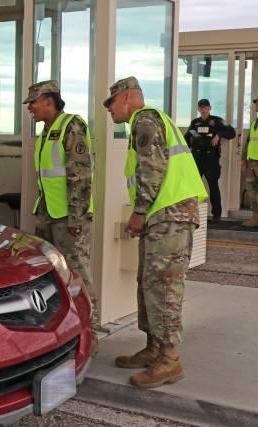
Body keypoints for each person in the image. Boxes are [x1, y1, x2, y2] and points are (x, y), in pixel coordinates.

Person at [104, 76, 208, 388]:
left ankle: (169, 359)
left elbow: (152, 168)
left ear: (126, 98)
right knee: (149, 282)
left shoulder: (145, 120)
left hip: (169, 214)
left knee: (163, 287)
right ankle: (154, 348)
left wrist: (138, 212)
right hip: (162, 215)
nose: (109, 111)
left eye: (111, 103)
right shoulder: (151, 120)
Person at [23, 80, 99, 356]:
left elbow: (80, 178)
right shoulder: (47, 131)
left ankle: (90, 333)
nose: (30, 108)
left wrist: (77, 220)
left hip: (68, 217)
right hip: (48, 213)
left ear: (48, 100)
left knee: (78, 274)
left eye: (33, 102)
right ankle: (62, 331)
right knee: (51, 275)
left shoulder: (71, 126)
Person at [183, 99, 236, 222]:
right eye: (201, 107)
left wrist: (219, 134)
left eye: (205, 107)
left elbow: (232, 132)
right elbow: (186, 138)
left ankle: (216, 215)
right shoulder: (195, 123)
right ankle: (190, 213)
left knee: (213, 186)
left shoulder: (216, 121)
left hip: (210, 158)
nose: (203, 109)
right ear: (198, 109)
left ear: (210, 108)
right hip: (196, 157)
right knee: (192, 186)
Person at [241, 98, 258, 227]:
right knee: (251, 190)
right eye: (255, 103)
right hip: (251, 161)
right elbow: (248, 142)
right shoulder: (254, 123)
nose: (256, 105)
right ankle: (255, 217)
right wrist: (243, 159)